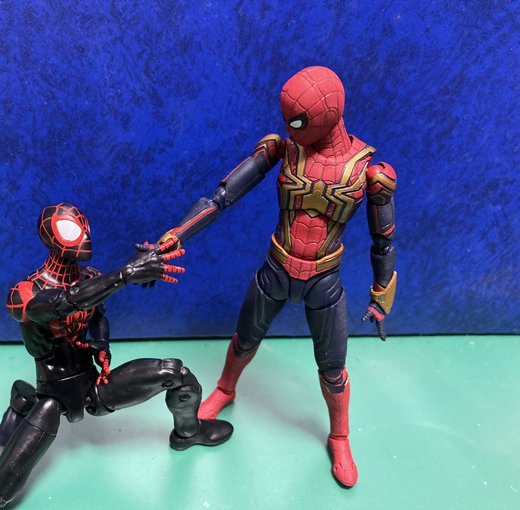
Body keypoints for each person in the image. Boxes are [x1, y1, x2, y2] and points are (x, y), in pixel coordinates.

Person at [153, 67, 396, 487]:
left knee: (333, 368)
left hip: (324, 279)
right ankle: (225, 389)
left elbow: (385, 242)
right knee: (244, 338)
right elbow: (222, 196)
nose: (289, 129)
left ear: (329, 114)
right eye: (287, 119)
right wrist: (180, 231)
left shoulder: (370, 173)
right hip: (277, 267)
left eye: (297, 121)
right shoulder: (282, 150)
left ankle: (339, 436)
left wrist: (381, 296)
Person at [0, 203, 233, 507]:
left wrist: (102, 346)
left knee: (176, 373)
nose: (84, 238)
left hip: (93, 384)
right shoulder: (24, 292)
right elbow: (64, 302)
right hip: (53, 392)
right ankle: (16, 413)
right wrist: (125, 274)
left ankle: (188, 433)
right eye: (71, 230)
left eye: (84, 229)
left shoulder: (91, 277)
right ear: (50, 236)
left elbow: (97, 314)